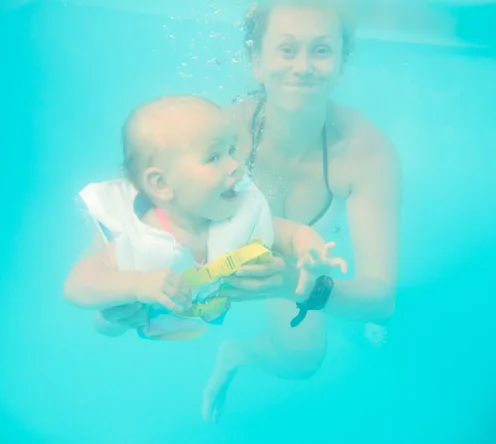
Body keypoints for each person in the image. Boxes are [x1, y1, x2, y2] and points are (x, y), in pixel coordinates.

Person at [94, 0, 402, 424]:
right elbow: (139, 206)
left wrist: (292, 285)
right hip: (212, 249)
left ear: (341, 65)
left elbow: (381, 297)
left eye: (322, 50)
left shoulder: (367, 152)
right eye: (287, 49)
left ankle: (237, 353)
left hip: (295, 261)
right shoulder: (221, 129)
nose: (303, 66)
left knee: (303, 360)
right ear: (257, 62)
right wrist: (112, 302)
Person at [64, 94, 347, 341]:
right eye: (214, 157)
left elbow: (291, 233)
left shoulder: (237, 214)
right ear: (162, 185)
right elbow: (77, 284)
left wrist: (312, 250)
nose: (235, 165)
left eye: (232, 151)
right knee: (110, 320)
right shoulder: (142, 237)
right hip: (137, 316)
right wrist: (138, 284)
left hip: (203, 313)